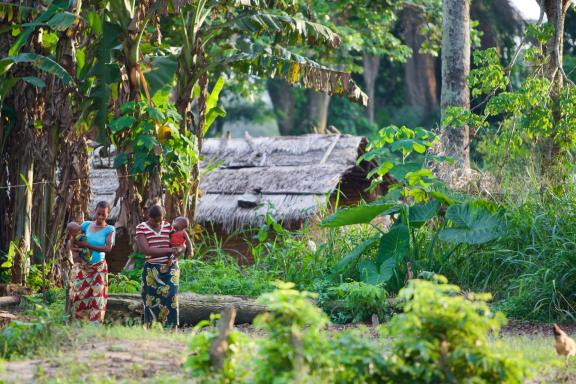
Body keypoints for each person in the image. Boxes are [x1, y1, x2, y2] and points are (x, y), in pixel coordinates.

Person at [136, 205, 186, 328]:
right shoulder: (141, 228)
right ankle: (152, 327)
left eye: (161, 219)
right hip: (152, 269)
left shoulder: (168, 226)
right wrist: (170, 250)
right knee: (151, 299)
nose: (159, 222)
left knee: (172, 297)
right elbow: (146, 250)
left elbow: (181, 240)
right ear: (149, 217)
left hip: (170, 267)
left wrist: (181, 249)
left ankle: (171, 327)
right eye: (156, 220)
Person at [68, 201, 116, 324]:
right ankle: (80, 323)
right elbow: (73, 239)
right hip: (84, 267)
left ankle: (95, 326)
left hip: (99, 268)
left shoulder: (109, 229)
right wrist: (75, 253)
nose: (100, 217)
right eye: (98, 213)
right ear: (95, 211)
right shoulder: (86, 225)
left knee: (98, 297)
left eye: (103, 215)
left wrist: (87, 245)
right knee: (79, 294)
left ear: (108, 214)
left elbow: (108, 248)